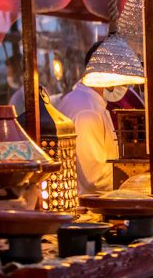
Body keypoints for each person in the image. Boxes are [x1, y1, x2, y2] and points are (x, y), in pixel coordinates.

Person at [57, 42, 124, 195]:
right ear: (106, 71)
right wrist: (134, 178)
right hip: (87, 207)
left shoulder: (89, 102)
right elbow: (95, 178)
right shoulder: (87, 111)